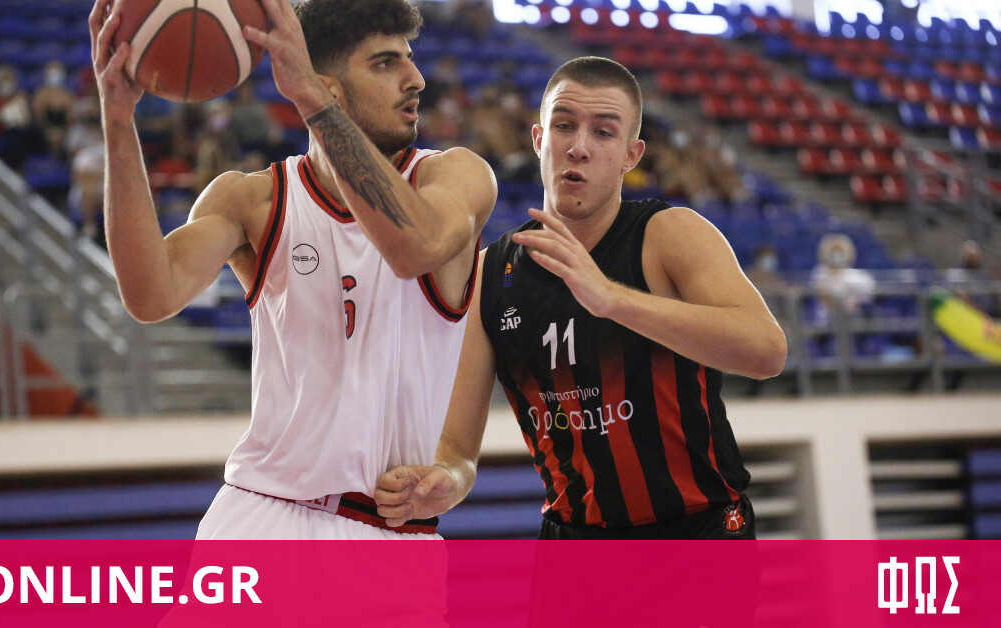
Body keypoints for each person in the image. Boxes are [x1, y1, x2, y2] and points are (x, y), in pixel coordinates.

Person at [90, 0, 495, 540]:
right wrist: (118, 124)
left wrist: (452, 475)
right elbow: (149, 295)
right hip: (261, 516)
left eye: (409, 58)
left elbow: (415, 247)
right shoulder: (252, 198)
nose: (415, 79)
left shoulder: (455, 176)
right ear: (327, 86)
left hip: (393, 529)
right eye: (385, 62)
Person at [376, 57, 787, 541]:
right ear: (538, 139)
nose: (579, 147)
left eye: (604, 133)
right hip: (571, 538)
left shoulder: (670, 234)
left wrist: (612, 299)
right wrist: (445, 480)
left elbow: (767, 352)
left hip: (697, 532)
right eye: (564, 126)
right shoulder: (490, 273)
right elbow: (457, 448)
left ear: (631, 154)